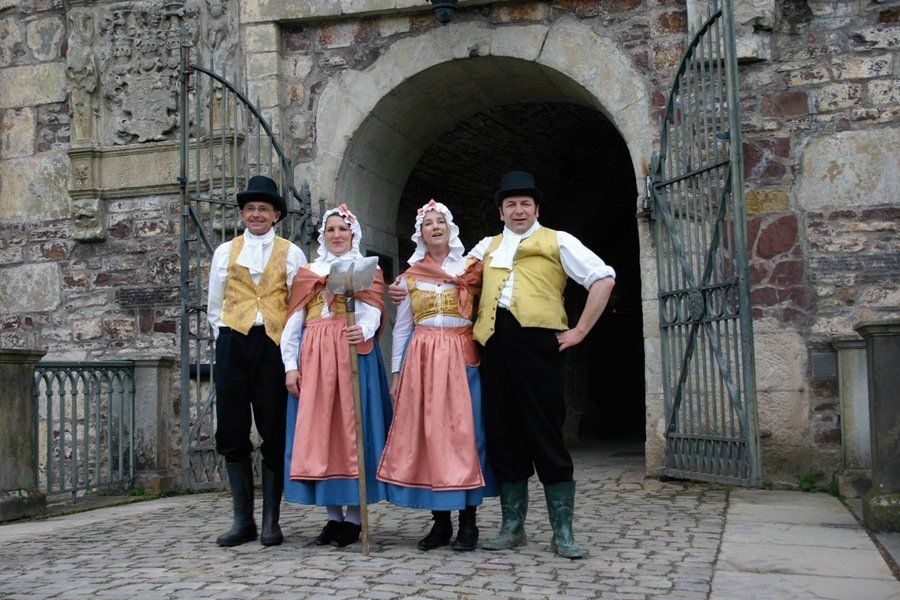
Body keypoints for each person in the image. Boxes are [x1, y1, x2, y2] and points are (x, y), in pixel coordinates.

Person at [472, 171, 615, 559]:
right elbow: (451, 278)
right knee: (503, 434)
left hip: (539, 345)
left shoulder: (559, 240)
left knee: (546, 433)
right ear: (500, 212)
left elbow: (603, 279)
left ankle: (562, 531)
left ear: (537, 209)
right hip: (495, 346)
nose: (518, 210)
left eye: (525, 204)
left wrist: (580, 330)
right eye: (511, 205)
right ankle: (512, 526)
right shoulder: (485, 246)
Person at [377, 200, 497, 552]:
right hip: (424, 359)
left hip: (462, 355)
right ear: (421, 234)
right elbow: (401, 329)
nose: (435, 226)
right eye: (428, 223)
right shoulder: (411, 277)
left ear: (450, 227)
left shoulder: (473, 270)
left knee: (466, 437)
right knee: (432, 437)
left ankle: (469, 522)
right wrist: (397, 372)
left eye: (440, 221)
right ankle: (441, 522)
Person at [281, 204, 393, 548]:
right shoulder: (307, 273)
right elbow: (293, 323)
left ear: (353, 234)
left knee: (353, 430)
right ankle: (332, 516)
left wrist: (364, 329)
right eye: (330, 230)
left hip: (351, 353)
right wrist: (290, 365)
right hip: (314, 357)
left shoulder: (366, 270)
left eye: (343, 229)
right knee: (320, 433)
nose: (337, 235)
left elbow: (373, 308)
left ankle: (355, 518)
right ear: (323, 236)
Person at [207, 175, 306, 547]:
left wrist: (289, 350)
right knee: (232, 429)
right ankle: (241, 520)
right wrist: (227, 335)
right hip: (234, 342)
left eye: (263, 209)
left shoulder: (291, 252)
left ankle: (270, 522)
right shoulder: (225, 252)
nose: (256, 215)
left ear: (276, 215)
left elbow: (297, 304)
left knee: (274, 428)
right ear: (243, 214)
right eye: (250, 209)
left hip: (273, 346)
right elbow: (215, 305)